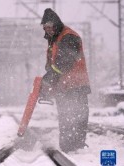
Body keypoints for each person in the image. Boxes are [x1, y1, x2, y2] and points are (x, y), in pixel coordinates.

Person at [39, 8, 91, 153]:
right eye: (45, 28)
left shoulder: (69, 37)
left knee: (77, 115)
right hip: (63, 86)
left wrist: (49, 78)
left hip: (76, 84)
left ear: (56, 25)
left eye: (50, 27)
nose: (48, 30)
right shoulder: (54, 39)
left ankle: (77, 147)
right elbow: (52, 65)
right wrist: (48, 80)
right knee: (65, 116)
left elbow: (65, 62)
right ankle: (69, 147)